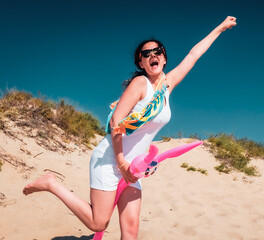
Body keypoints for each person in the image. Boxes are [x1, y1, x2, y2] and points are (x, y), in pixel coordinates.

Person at [23, 16, 237, 240]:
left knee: (131, 228)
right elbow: (116, 122)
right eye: (146, 54)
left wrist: (220, 28)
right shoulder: (140, 84)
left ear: (164, 58)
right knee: (98, 222)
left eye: (157, 51)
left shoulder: (166, 86)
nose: (152, 55)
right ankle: (51, 184)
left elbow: (193, 55)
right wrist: (121, 161)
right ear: (141, 63)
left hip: (133, 168)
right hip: (111, 159)